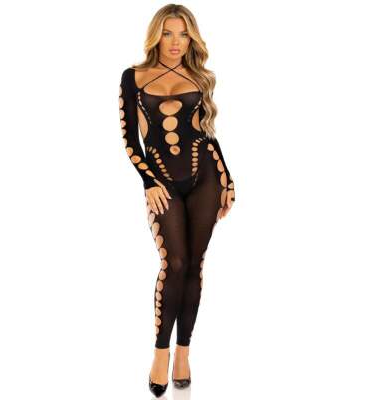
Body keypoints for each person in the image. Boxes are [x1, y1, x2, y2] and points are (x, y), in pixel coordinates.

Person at [118, 4, 236, 397]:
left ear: (192, 38)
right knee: (175, 263)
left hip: (206, 178)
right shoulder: (134, 77)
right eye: (168, 33)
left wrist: (228, 179)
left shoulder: (200, 76)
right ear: (156, 35)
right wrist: (148, 182)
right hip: (162, 183)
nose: (175, 42)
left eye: (183, 34)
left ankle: (184, 352)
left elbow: (207, 133)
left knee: (195, 264)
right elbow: (130, 140)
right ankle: (160, 352)